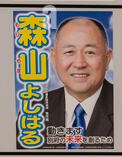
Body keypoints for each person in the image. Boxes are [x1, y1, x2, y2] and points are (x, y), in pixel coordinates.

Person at [44, 17, 113, 149]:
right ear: (53, 58)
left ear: (107, 58)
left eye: (90, 52)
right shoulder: (35, 108)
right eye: (69, 52)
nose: (79, 63)